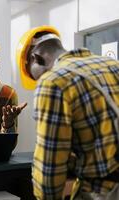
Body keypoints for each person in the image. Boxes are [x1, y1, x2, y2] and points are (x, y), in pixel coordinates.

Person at [17, 25, 119, 199]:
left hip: (102, 192)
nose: (37, 81)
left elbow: (49, 172)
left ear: (36, 58)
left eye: (33, 75)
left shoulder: (52, 82)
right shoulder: (112, 65)